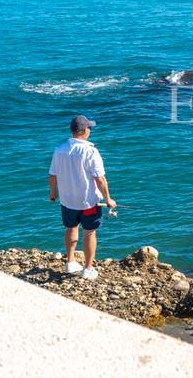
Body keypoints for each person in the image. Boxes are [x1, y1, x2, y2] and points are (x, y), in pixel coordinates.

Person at [48, 115, 117, 280]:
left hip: (67, 201)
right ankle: (87, 268)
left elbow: (52, 175)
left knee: (71, 228)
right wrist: (108, 200)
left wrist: (53, 194)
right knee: (90, 232)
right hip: (88, 203)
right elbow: (100, 179)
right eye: (89, 128)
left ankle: (70, 262)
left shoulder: (59, 149)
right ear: (85, 131)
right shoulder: (90, 151)